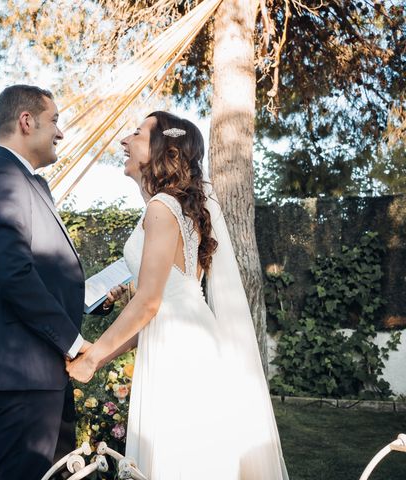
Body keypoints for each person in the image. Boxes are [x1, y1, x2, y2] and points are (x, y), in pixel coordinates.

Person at [67, 111, 289, 479]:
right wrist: (101, 354)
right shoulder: (178, 206)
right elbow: (156, 310)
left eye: (136, 133)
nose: (124, 140)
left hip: (180, 353)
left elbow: (149, 302)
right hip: (188, 337)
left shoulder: (161, 207)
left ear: (163, 149)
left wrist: (91, 360)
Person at [0, 85, 112, 480]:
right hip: (19, 366)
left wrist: (91, 299)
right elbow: (14, 274)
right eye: (55, 120)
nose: (60, 132)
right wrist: (75, 344)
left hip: (39, 364)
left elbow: (40, 270)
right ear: (27, 122)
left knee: (57, 472)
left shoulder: (26, 182)